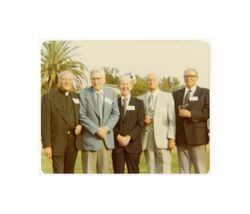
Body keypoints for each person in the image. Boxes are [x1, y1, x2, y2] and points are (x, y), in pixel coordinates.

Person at [79, 69, 120, 173]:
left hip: (106, 141)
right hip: (90, 140)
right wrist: (97, 130)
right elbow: (82, 115)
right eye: (93, 78)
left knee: (104, 172)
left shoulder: (112, 93)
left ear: (104, 79)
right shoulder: (83, 93)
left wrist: (106, 129)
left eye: (98, 78)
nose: (96, 81)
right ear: (90, 79)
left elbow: (115, 114)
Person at [41, 71, 83, 173]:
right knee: (59, 172)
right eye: (64, 79)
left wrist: (80, 125)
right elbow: (44, 123)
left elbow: (81, 116)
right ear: (59, 81)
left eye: (69, 80)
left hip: (73, 143)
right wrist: (47, 146)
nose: (67, 82)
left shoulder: (77, 97)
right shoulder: (48, 98)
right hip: (57, 142)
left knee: (69, 172)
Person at [173, 68, 209, 173]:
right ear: (183, 78)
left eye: (192, 76)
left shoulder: (205, 93)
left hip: (198, 137)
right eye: (186, 76)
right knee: (183, 170)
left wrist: (191, 114)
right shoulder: (176, 94)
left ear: (197, 78)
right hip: (181, 138)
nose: (189, 78)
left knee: (200, 169)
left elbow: (208, 112)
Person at [138, 73, 176, 173]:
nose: (151, 82)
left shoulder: (167, 96)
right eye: (149, 80)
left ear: (158, 82)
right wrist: (143, 120)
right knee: (151, 167)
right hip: (147, 137)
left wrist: (171, 138)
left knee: (164, 167)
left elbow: (172, 119)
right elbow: (137, 119)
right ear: (146, 82)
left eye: (154, 79)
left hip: (163, 138)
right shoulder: (139, 98)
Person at [112, 74, 145, 173]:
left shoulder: (139, 103)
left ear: (131, 86)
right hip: (117, 146)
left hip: (133, 145)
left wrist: (129, 137)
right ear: (119, 86)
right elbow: (110, 122)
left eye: (127, 84)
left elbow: (140, 123)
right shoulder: (113, 103)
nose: (124, 87)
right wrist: (118, 137)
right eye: (122, 84)